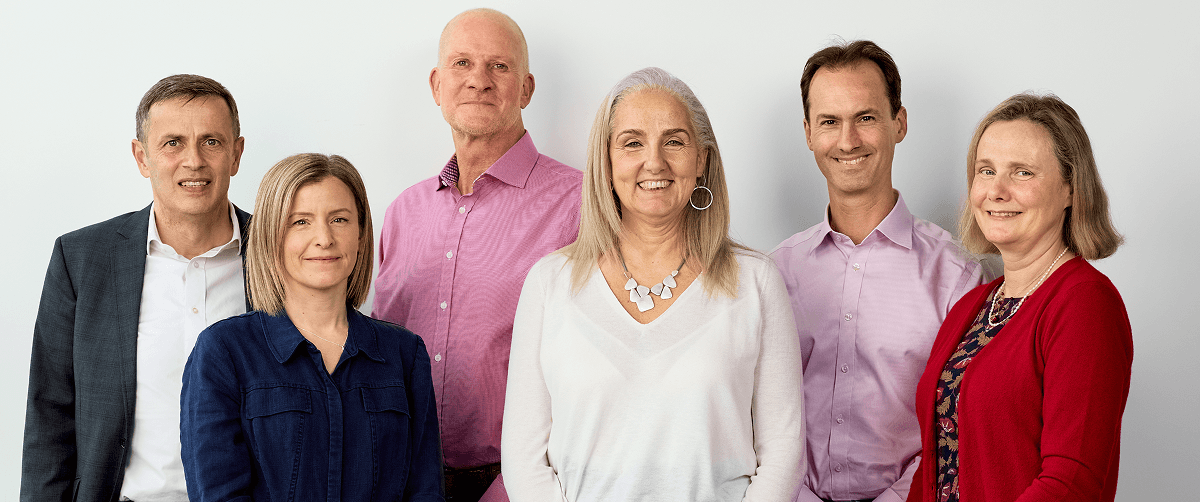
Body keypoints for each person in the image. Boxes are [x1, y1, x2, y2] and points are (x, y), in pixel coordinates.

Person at [502, 67, 805, 502]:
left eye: (674, 142)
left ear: (701, 160)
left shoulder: (756, 282)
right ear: (606, 161)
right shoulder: (549, 284)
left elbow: (783, 451)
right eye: (632, 143)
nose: (655, 162)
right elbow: (523, 459)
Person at [372, 8, 582, 501]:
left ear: (526, 89)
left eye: (499, 66)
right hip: (401, 481)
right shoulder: (402, 213)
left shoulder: (579, 204)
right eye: (462, 63)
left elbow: (600, 369)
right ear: (436, 84)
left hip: (523, 486)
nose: (479, 80)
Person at [770, 41, 986, 502]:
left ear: (899, 123)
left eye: (865, 117)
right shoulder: (774, 273)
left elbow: (962, 425)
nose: (847, 140)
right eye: (829, 121)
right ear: (808, 133)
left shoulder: (958, 278)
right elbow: (754, 414)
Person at [22, 74, 248, 502]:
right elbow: (50, 416)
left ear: (236, 154)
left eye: (211, 142)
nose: (194, 161)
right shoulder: (81, 259)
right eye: (173, 143)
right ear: (142, 157)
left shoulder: (280, 254)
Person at [180, 154, 443, 501]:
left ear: (361, 233)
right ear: (271, 236)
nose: (324, 238)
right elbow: (219, 493)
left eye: (339, 219)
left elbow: (425, 490)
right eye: (300, 222)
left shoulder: (405, 354)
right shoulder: (223, 351)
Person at [908, 93, 1131, 502]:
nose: (996, 190)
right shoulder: (971, 306)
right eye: (986, 170)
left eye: (1022, 172)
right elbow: (933, 466)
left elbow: (1071, 482)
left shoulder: (1085, 304)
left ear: (1071, 189)